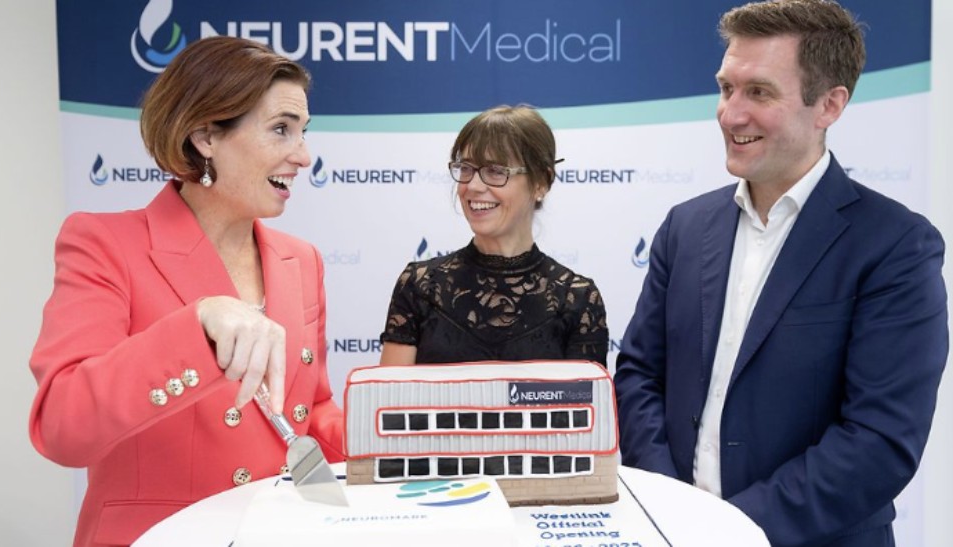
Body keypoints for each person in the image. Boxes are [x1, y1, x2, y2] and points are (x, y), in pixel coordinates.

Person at [614, 1, 947, 546]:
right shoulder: (685, 226)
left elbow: (879, 441)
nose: (730, 114)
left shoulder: (895, 246)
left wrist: (727, 532)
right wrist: (670, 507)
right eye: (726, 88)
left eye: (760, 93)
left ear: (830, 105)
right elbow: (639, 374)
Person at [28, 37, 343, 547]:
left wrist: (387, 437)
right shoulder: (104, 243)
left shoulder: (300, 259)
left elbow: (307, 409)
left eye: (303, 132)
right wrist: (197, 325)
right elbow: (63, 425)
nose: (303, 156)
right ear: (205, 136)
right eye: (281, 130)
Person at [379, 105, 608, 367]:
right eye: (465, 168)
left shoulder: (577, 299)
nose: (473, 186)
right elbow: (390, 403)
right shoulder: (419, 286)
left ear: (541, 182)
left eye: (496, 171)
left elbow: (583, 405)